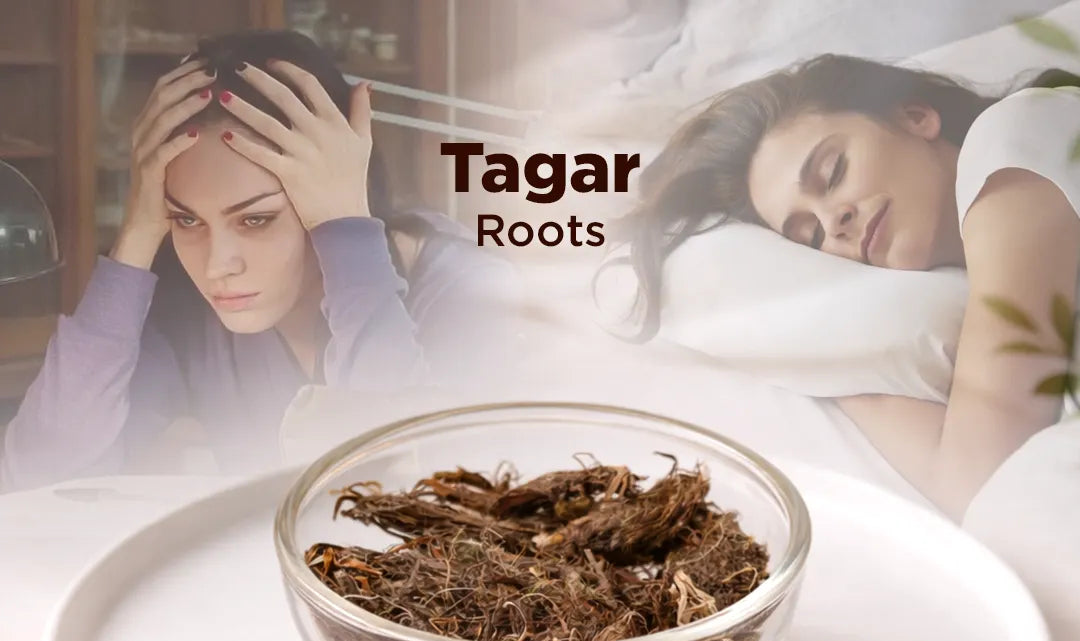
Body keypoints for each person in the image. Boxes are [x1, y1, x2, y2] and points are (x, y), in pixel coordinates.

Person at [1, 30, 519, 490]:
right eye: (186, 220)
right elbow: (41, 483)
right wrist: (137, 232)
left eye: (255, 219)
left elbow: (409, 500)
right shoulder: (189, 314)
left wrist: (348, 234)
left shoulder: (475, 300)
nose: (216, 265)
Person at [615, 54, 1080, 520]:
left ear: (914, 117)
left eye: (833, 171)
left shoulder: (1014, 142)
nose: (832, 220)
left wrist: (837, 378)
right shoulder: (985, 261)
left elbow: (978, 482)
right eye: (809, 236)